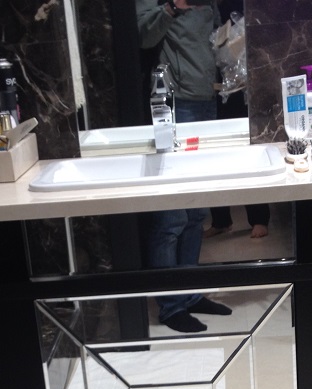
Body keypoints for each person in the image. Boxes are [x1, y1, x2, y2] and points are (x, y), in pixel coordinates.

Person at [137, 0, 232, 333]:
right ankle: (171, 306)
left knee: (196, 212)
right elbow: (142, 35)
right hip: (174, 103)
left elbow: (216, 37)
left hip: (206, 98)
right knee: (171, 217)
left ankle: (189, 295)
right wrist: (173, 7)